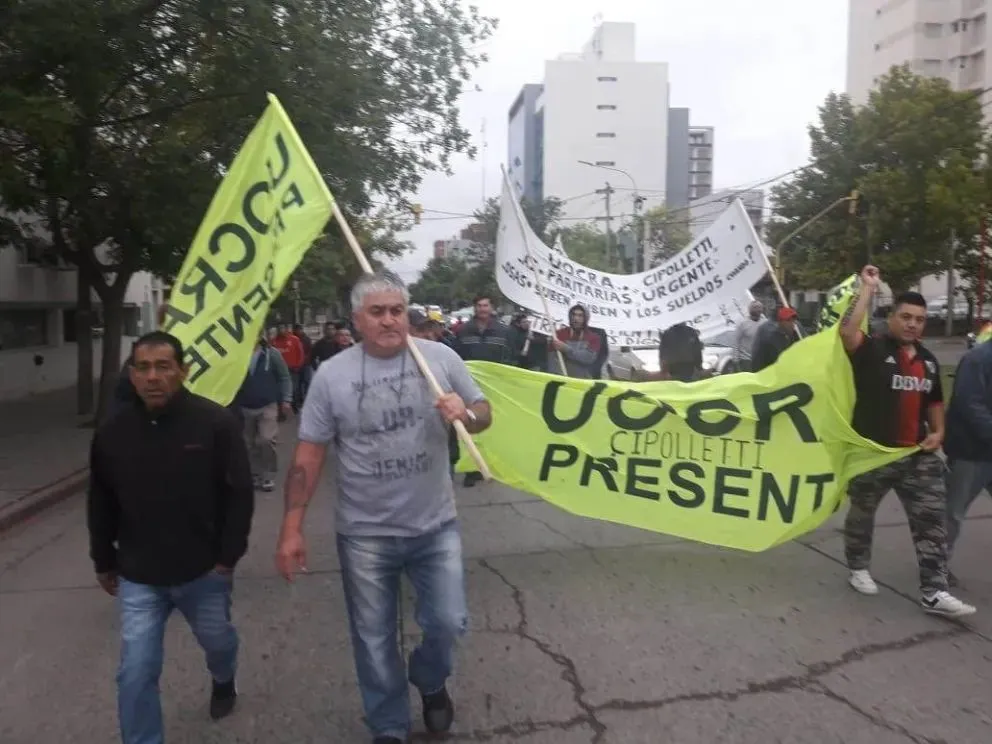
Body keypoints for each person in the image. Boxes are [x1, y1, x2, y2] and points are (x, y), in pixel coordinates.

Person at [275, 270, 492, 744]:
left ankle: (430, 679)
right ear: (357, 320)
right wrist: (292, 527)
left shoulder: (440, 359)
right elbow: (309, 454)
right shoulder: (332, 376)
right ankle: (388, 725)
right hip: (364, 533)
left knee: (449, 622)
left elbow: (483, 414)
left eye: (396, 310)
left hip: (435, 525)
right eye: (377, 312)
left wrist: (466, 414)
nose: (390, 320)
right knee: (373, 642)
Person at [87, 331, 254, 744]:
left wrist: (227, 558)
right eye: (143, 367)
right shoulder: (112, 432)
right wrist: (103, 559)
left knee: (218, 643)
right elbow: (101, 499)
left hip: (203, 572)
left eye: (164, 366)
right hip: (140, 575)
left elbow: (239, 495)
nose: (153, 376)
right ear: (132, 374)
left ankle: (223, 678)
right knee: (136, 669)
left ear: (183, 370)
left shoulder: (215, 423)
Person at [838, 265, 974, 617]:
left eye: (919, 319)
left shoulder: (928, 361)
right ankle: (858, 566)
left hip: (916, 454)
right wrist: (867, 288)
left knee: (932, 519)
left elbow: (934, 403)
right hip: (872, 454)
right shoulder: (871, 348)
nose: (913, 324)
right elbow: (848, 330)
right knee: (862, 515)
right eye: (906, 317)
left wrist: (938, 432)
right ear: (893, 317)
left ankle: (934, 591)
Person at [942, 336, 992, 585]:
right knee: (954, 512)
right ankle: (936, 567)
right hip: (970, 451)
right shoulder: (978, 359)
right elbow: (970, 404)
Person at [455, 295, 514, 487]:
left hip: (495, 386)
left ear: (491, 308)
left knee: (493, 425)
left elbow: (510, 358)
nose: (482, 309)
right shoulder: (464, 331)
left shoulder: (504, 331)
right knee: (472, 425)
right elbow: (457, 357)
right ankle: (473, 467)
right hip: (470, 387)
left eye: (485, 305)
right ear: (475, 308)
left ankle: (493, 463)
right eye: (479, 306)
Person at [234, 335, 293, 492]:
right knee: (249, 443)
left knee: (266, 440)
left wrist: (286, 399)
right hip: (244, 405)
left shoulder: (271, 354)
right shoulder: (236, 353)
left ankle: (268, 475)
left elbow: (284, 377)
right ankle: (254, 475)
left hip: (267, 404)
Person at [548, 304, 602, 378]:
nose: (576, 318)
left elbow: (588, 358)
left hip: (581, 381)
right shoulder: (559, 334)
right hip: (560, 379)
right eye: (573, 315)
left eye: (580, 315)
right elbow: (552, 360)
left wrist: (566, 349)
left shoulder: (594, 338)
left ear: (586, 318)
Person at [750, 306, 799, 372]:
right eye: (788, 321)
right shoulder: (770, 338)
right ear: (780, 322)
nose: (792, 324)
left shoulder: (792, 336)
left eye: (794, 321)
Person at [271, 324, 306, 412]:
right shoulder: (274, 341)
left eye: (282, 328)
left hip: (292, 369)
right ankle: (281, 410)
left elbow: (300, 354)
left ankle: (294, 405)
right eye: (279, 328)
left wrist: (298, 365)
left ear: (286, 329)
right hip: (279, 370)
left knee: (294, 389)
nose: (281, 330)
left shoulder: (294, 339)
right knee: (279, 390)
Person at [733, 300, 765, 372]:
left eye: (760, 307)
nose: (758, 309)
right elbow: (736, 342)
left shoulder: (765, 322)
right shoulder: (742, 323)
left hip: (760, 359)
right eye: (755, 307)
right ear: (750, 310)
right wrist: (736, 360)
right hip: (746, 359)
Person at [293, 323, 314, 400]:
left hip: (306, 364)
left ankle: (307, 398)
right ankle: (299, 399)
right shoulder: (292, 339)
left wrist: (306, 359)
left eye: (300, 329)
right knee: (297, 384)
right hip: (296, 365)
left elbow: (310, 351)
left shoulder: (306, 339)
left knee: (307, 381)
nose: (299, 331)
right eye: (297, 329)